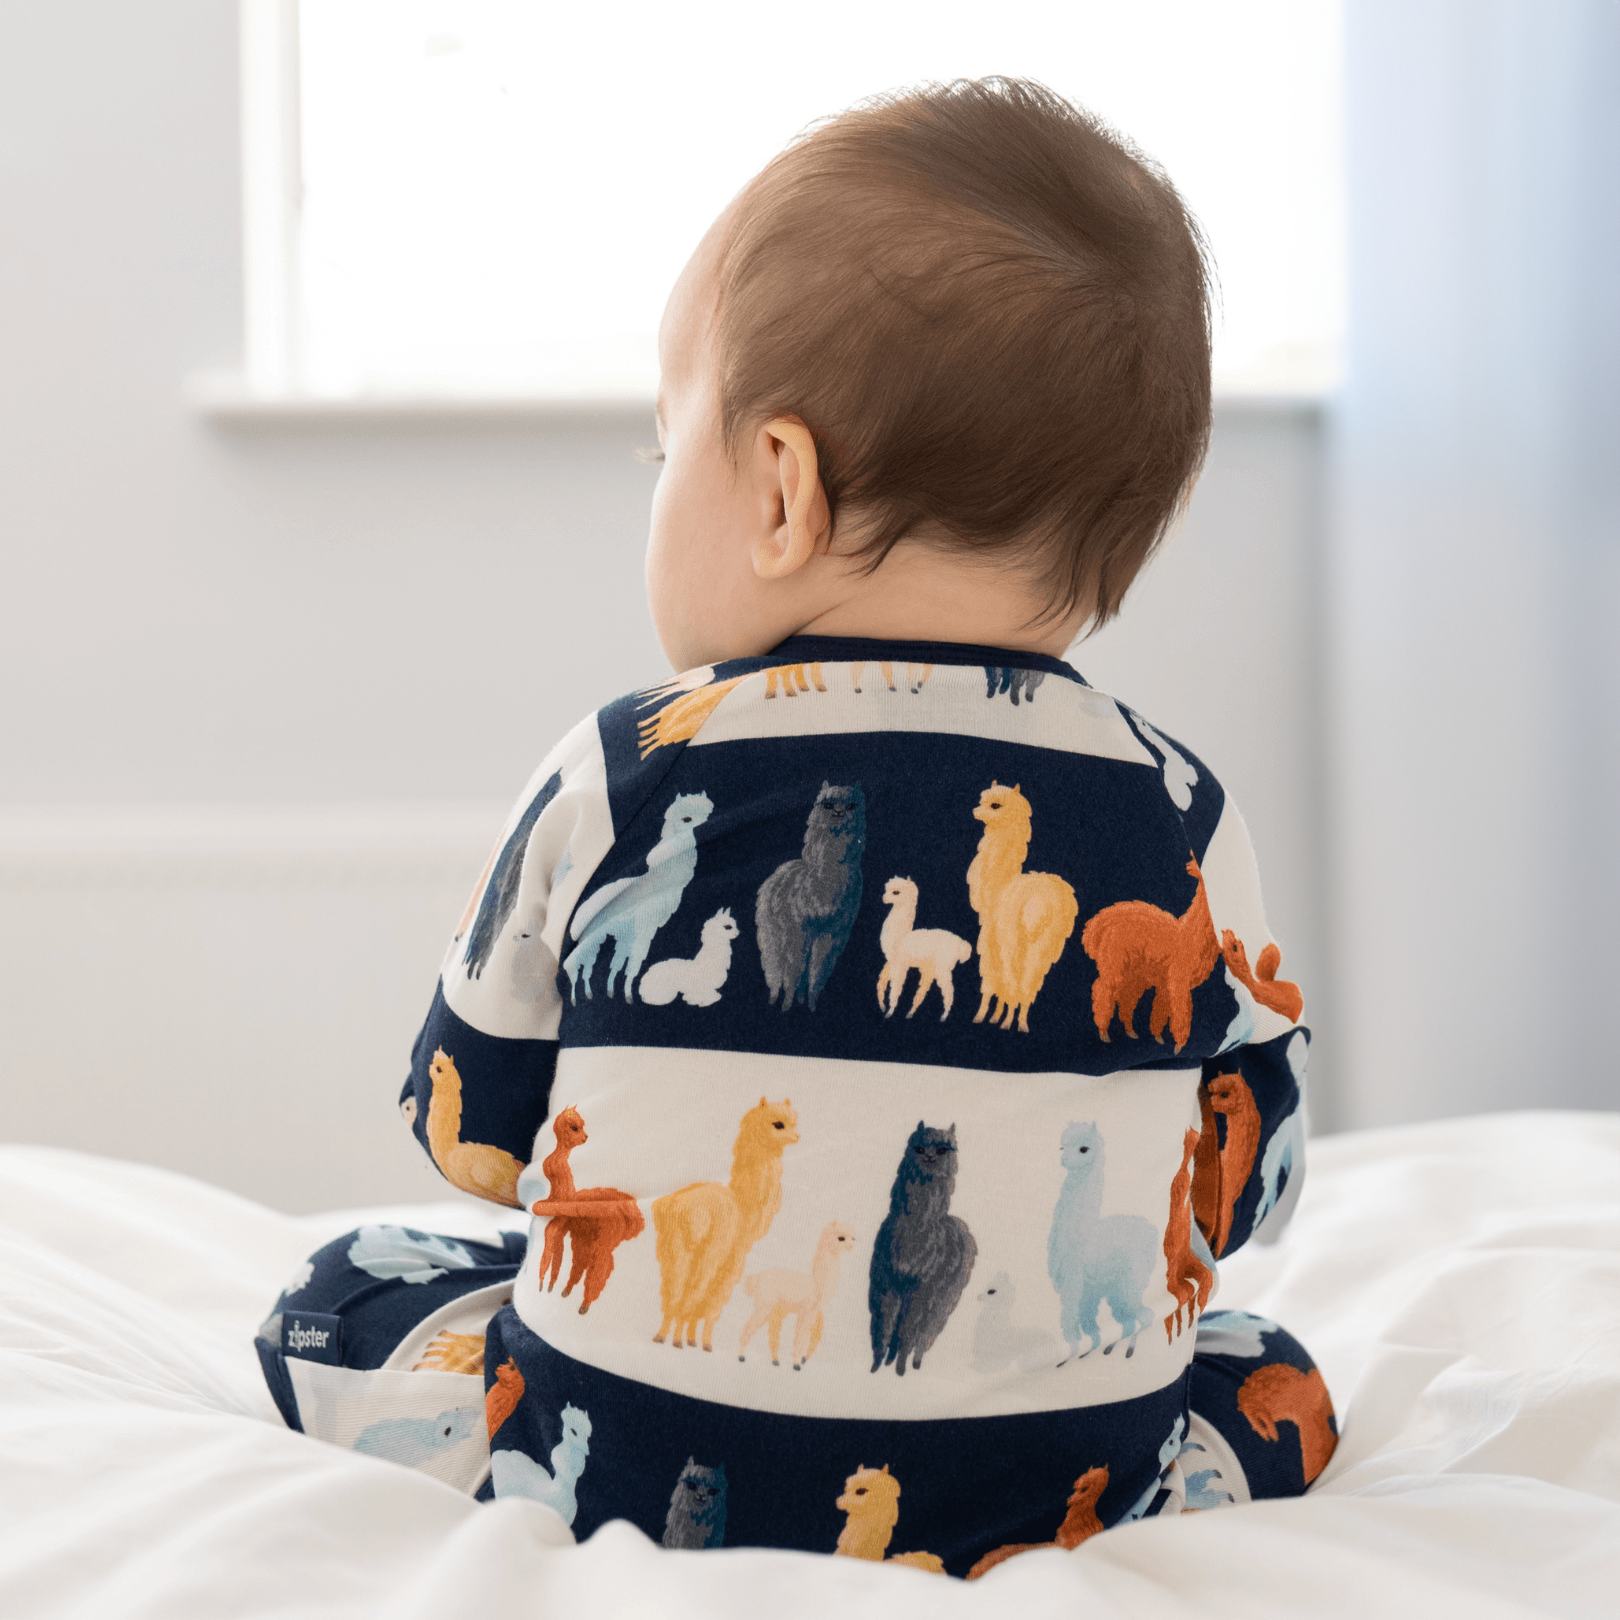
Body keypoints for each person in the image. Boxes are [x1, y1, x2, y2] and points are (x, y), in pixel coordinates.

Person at [258, 77, 1335, 1575]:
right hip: (1058, 1493)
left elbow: (479, 1142)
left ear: (781, 492)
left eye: (664, 454)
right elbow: (1245, 1185)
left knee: (343, 1291)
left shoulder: (624, 769)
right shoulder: (1181, 812)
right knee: (1266, 1363)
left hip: (624, 1475)